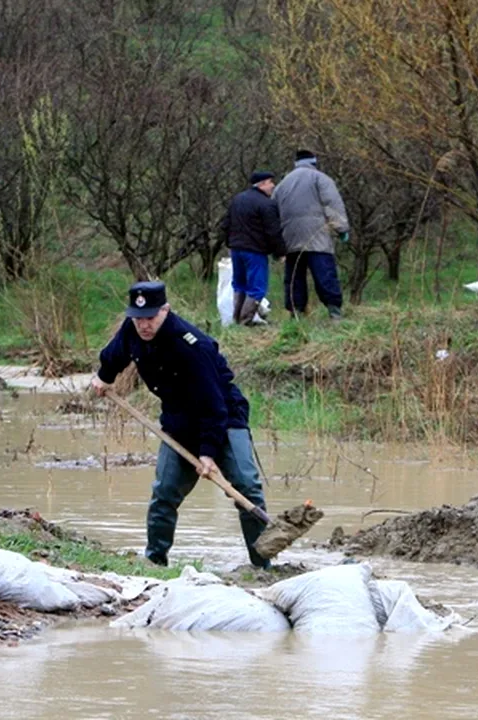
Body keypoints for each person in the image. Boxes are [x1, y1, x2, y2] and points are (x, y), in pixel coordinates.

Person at [91, 281, 270, 569]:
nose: (144, 325)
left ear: (166, 310)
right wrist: (104, 376)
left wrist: (208, 452)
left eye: (151, 317)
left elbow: (214, 405)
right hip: (178, 424)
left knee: (247, 487)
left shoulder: (191, 345)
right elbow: (116, 353)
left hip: (223, 419)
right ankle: (154, 563)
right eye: (139, 318)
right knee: (164, 493)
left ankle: (262, 565)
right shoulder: (132, 328)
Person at [272, 150, 350, 320]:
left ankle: (296, 314)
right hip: (317, 237)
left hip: (290, 239)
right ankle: (334, 311)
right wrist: (341, 228)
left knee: (294, 278)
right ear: (314, 162)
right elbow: (332, 203)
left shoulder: (282, 184)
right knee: (324, 274)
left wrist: (276, 243)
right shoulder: (320, 178)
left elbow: (273, 212)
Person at [220, 171, 285, 325]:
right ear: (262, 184)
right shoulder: (266, 204)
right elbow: (273, 231)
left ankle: (236, 318)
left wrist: (230, 243)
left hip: (236, 249)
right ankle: (246, 320)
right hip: (255, 251)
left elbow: (225, 224)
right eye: (270, 182)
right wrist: (280, 252)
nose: (273, 186)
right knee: (257, 288)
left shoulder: (237, 199)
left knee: (239, 284)